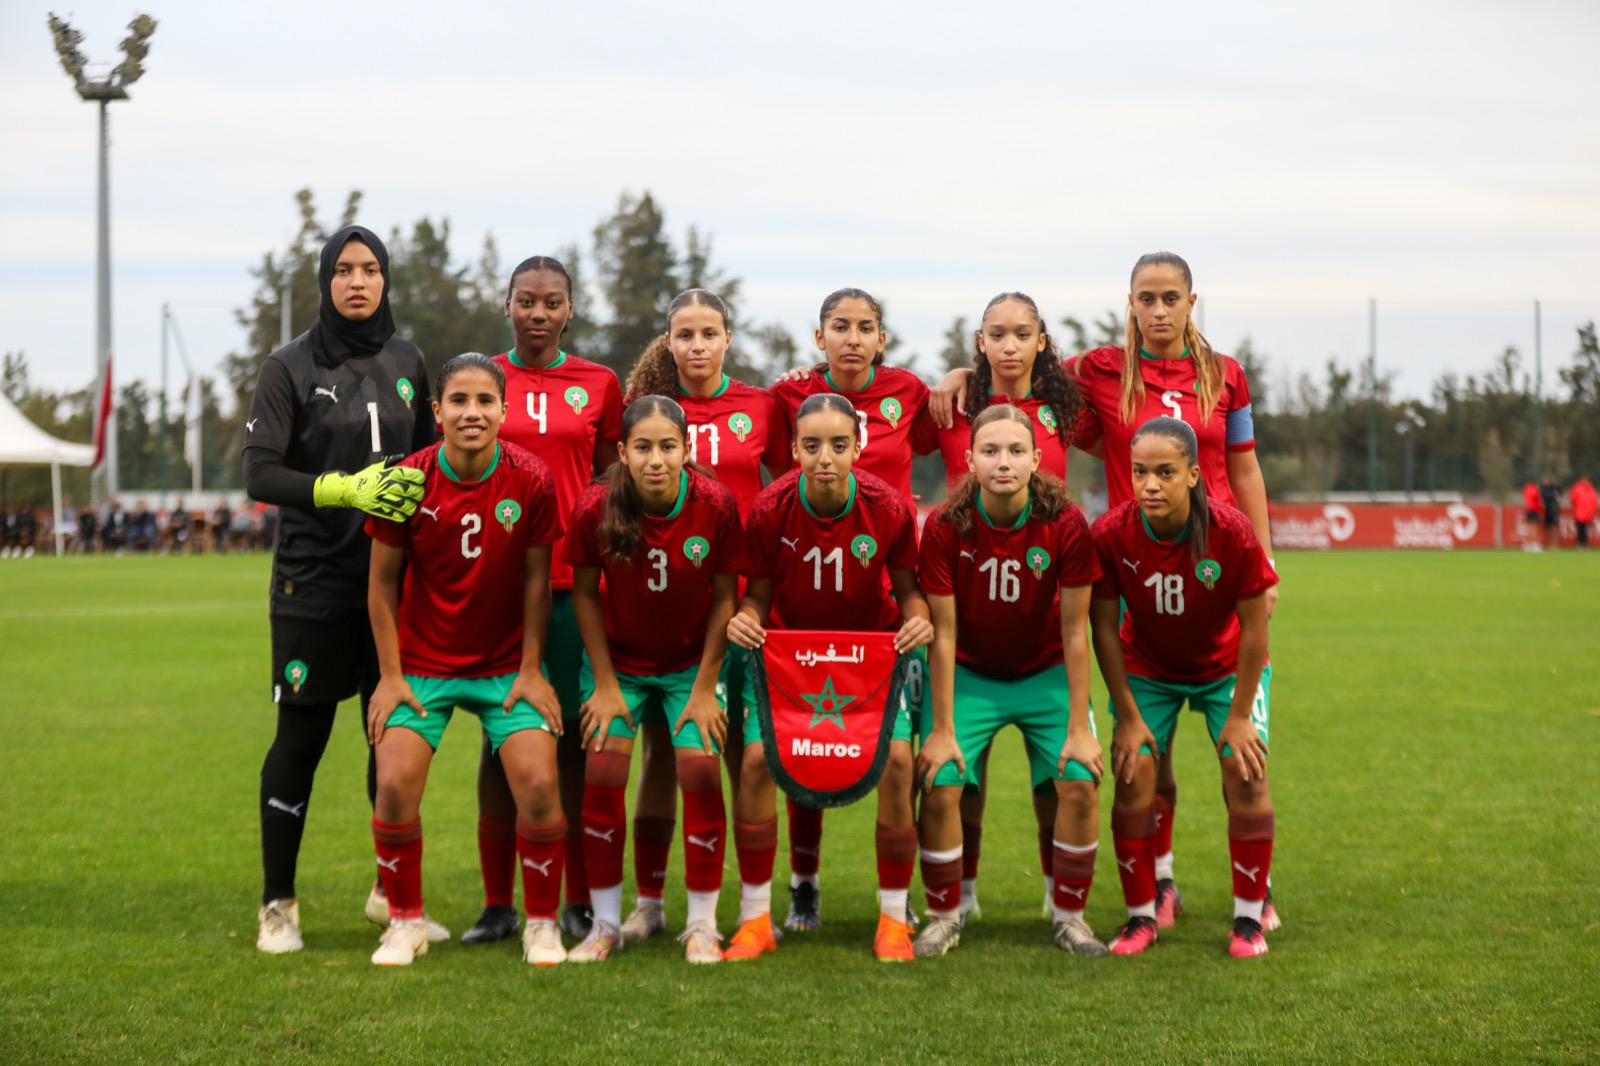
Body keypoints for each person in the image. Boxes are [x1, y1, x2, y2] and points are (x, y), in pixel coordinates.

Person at [931, 252, 1277, 931]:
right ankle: (1163, 884)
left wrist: (1262, 561)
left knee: (1235, 751)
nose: (1156, 311)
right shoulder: (1098, 371)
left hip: (1214, 564)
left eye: (1169, 298)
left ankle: (1252, 894)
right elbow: (1020, 375)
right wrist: (964, 374)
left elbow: (1245, 467)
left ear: (1190, 302)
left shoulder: (1225, 375)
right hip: (1134, 567)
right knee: (1146, 750)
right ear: (1128, 304)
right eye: (1144, 299)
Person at [243, 225, 436, 954]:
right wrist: (342, 487)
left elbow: (430, 465)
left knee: (388, 737)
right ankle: (278, 904)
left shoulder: (408, 358)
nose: (359, 281)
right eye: (345, 270)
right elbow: (260, 474)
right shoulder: (287, 366)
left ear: (386, 281)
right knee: (301, 737)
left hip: (393, 587)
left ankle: (390, 895)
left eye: (372, 269)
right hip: (313, 584)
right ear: (326, 280)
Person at [364, 353, 567, 966]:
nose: (471, 413)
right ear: (437, 412)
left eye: (484, 401)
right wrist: (391, 677)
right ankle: (404, 922)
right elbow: (379, 587)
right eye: (458, 401)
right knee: (394, 787)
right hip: (422, 666)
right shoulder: (407, 480)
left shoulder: (531, 478)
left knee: (538, 786)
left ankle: (541, 924)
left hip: (506, 665)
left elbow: (538, 582)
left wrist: (533, 668)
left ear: (504, 411)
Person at [721, 393, 932, 963]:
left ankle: (892, 919)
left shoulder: (888, 507)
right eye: (811, 446)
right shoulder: (769, 508)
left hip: (870, 661)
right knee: (757, 761)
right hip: (792, 658)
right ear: (792, 450)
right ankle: (756, 919)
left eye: (839, 446)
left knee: (897, 762)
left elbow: (910, 590)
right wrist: (744, 619)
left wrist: (918, 621)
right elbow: (758, 596)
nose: (825, 458)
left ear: (858, 448)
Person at [615, 289, 788, 945]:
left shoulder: (761, 406)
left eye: (707, 333)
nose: (695, 346)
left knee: (750, 756)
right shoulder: (650, 415)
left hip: (748, 609)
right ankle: (652, 904)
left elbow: (781, 494)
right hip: (674, 609)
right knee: (667, 752)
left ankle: (751, 910)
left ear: (727, 339)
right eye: (682, 334)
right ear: (668, 341)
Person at [764, 287, 937, 931]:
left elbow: (959, 417)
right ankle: (803, 886)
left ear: (882, 338)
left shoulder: (910, 392)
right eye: (840, 326)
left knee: (896, 756)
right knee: (803, 748)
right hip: (803, 598)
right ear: (820, 337)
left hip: (883, 603)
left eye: (866, 327)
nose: (853, 338)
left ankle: (898, 896)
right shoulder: (788, 395)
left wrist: (959, 372)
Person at [464, 256, 624, 948]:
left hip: (575, 589)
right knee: (500, 744)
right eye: (525, 300)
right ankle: (499, 904)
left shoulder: (598, 384)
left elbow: (613, 480)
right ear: (506, 306)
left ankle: (580, 901)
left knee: (577, 747)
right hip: (497, 587)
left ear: (569, 310)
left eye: (550, 302)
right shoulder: (482, 383)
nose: (537, 313)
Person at [913, 404, 1106, 958]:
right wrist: (943, 729)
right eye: (991, 451)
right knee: (942, 778)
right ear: (970, 460)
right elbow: (943, 636)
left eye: (1016, 451)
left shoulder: (1066, 524)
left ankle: (1070, 916)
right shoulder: (947, 527)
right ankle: (945, 915)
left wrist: (1079, 727)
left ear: (1036, 460)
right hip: (971, 672)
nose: (1004, 461)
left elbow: (1075, 633)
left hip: (1044, 671)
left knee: (1079, 779)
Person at [564, 395, 743, 963]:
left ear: (687, 450)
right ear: (622, 451)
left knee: (699, 774)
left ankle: (701, 924)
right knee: (603, 769)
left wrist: (703, 686)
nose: (656, 459)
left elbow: (725, 599)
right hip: (623, 666)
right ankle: (607, 924)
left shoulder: (716, 504)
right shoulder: (595, 506)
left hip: (694, 663)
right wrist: (605, 682)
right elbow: (586, 595)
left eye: (669, 446)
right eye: (643, 446)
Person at [1090, 416, 1278, 958]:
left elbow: (1255, 629)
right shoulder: (1112, 533)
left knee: (1245, 771)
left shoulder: (1232, 531)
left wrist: (1240, 716)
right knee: (1134, 773)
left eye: (1165, 472)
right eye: (1140, 471)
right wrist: (1127, 716)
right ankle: (1142, 915)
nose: (1149, 484)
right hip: (1149, 668)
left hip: (1225, 667)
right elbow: (1103, 627)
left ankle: (1249, 919)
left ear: (1194, 475)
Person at [931, 292, 1089, 924]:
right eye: (996, 334)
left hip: (1040, 614)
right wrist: (953, 377)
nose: (1009, 344)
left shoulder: (1066, 407)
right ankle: (958, 901)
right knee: (957, 777)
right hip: (964, 612)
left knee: (1064, 777)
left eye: (1022, 333)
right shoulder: (951, 404)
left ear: (1041, 340)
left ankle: (1065, 905)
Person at [1570, 474, 1596, 549]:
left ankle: (1585, 543)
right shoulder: (1577, 488)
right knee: (1580, 529)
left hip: (1588, 513)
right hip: (1580, 512)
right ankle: (1580, 543)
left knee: (1586, 530)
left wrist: (1592, 512)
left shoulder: (1591, 489)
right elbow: (1573, 499)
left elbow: (1594, 502)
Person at [1539, 475, 1561, 552]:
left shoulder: (1553, 488)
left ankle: (1555, 544)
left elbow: (1558, 498)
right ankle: (1550, 544)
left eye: (1545, 480)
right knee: (1547, 527)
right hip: (1546, 510)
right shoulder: (1543, 489)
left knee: (1553, 527)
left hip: (1553, 509)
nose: (1544, 482)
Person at [1521, 480, 1543, 551]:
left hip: (1528, 510)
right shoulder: (1536, 491)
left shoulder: (1526, 490)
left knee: (1529, 528)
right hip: (1534, 510)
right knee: (1534, 528)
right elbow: (1538, 502)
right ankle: (1533, 544)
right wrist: (1541, 511)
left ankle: (1527, 544)